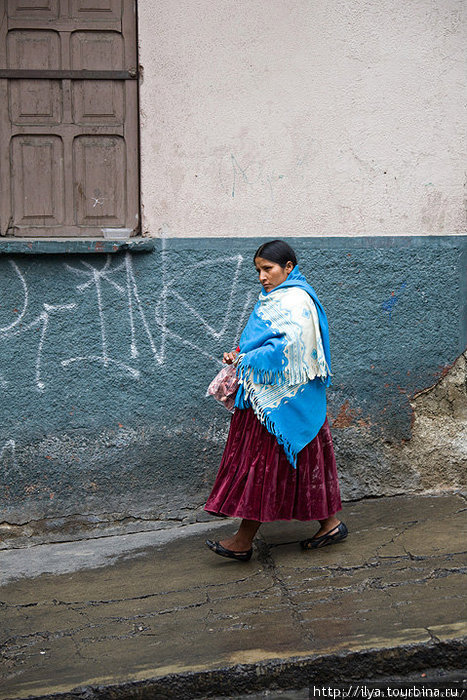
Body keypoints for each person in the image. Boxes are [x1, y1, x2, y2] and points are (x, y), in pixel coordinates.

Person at [205, 239, 347, 561]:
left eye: (267, 269)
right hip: (270, 398)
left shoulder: (297, 301)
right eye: (258, 270)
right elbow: (266, 341)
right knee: (295, 463)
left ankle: (243, 541)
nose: (261, 277)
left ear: (289, 268)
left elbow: (290, 348)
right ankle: (330, 524)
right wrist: (240, 354)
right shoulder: (274, 299)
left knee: (262, 463)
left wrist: (248, 359)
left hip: (284, 400)